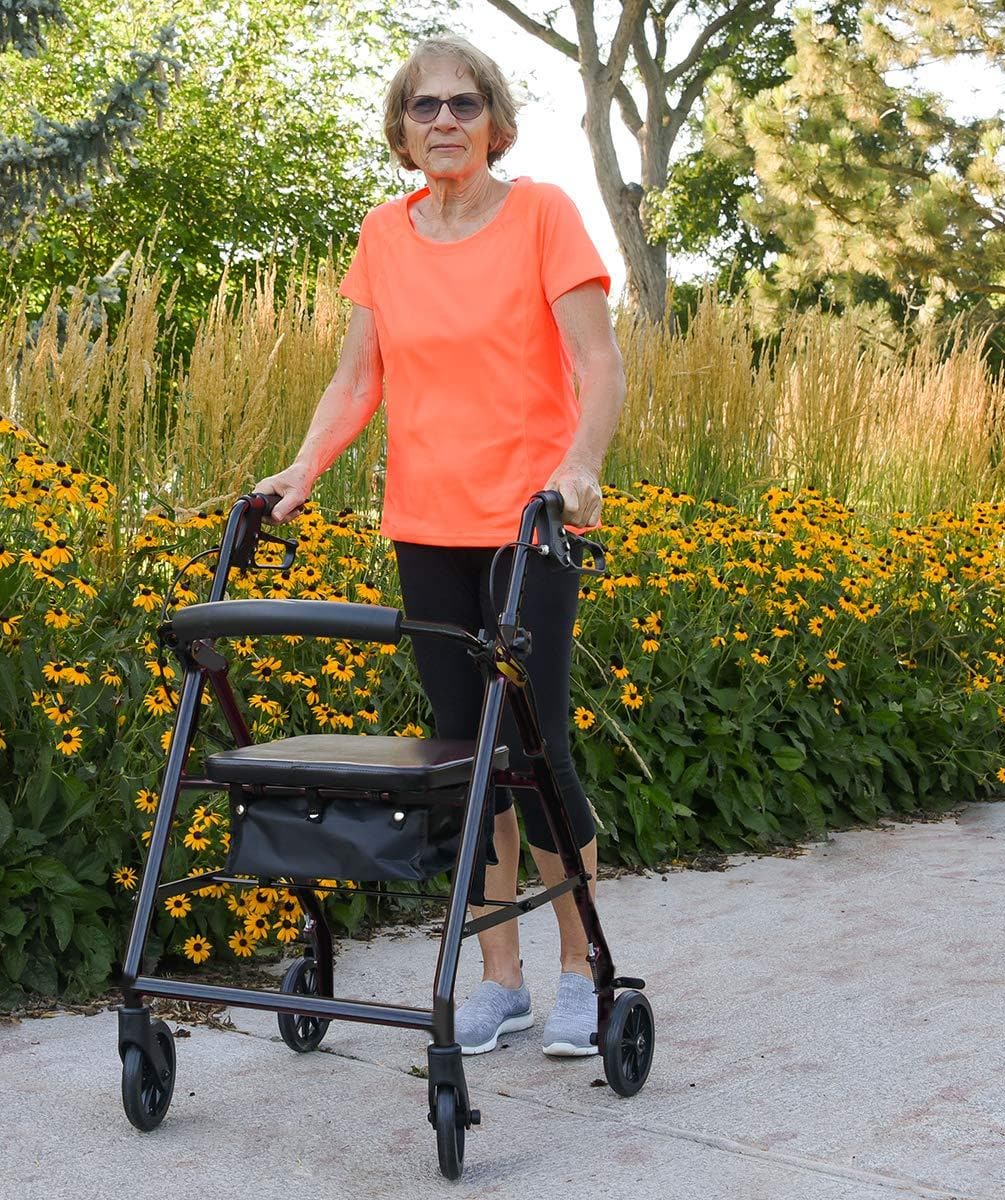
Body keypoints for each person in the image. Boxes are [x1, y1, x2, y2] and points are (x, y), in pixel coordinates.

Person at [254, 35, 626, 1058]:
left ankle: (582, 969)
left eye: (465, 103)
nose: (446, 120)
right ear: (403, 128)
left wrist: (581, 465)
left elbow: (599, 363)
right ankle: (500, 982)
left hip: (528, 524)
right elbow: (357, 378)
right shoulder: (385, 233)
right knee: (468, 755)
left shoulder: (543, 215)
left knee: (535, 747)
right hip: (425, 525)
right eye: (426, 106)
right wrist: (305, 467)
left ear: (494, 121)